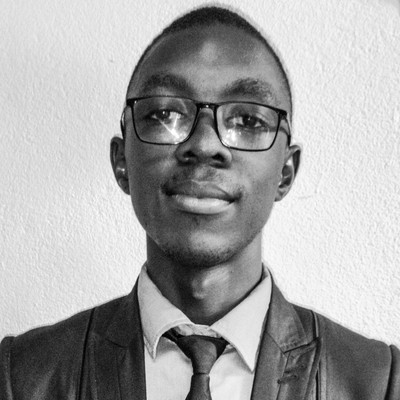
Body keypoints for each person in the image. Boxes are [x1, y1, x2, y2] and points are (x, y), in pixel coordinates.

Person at [1, 6, 399, 400]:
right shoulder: (20, 376)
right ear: (122, 162)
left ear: (286, 171)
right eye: (165, 114)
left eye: (248, 121)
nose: (205, 144)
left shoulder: (381, 382)